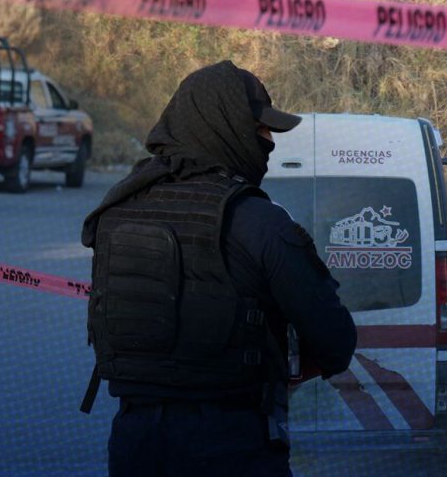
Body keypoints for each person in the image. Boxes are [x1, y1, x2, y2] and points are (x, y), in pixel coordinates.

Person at [80, 61, 357, 477]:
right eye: (260, 128)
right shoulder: (259, 221)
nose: (268, 142)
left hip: (133, 442)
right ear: (223, 124)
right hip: (231, 443)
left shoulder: (114, 210)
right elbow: (336, 341)